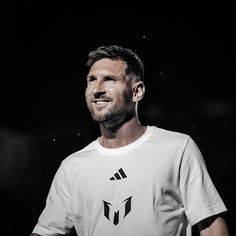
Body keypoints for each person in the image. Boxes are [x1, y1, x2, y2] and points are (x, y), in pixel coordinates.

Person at [31, 45, 229, 236]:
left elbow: (211, 225)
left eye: (109, 80)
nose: (96, 89)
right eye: (91, 80)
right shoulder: (72, 166)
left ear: (137, 91)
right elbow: (47, 232)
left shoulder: (177, 148)